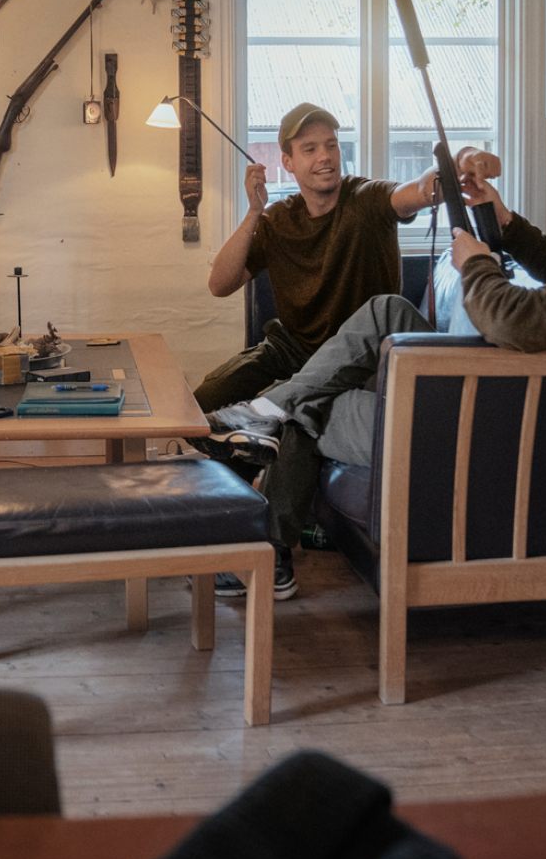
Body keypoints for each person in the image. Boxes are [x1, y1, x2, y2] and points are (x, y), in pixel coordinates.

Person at [202, 146, 546, 597]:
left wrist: (476, 263)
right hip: (478, 406)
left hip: (471, 435)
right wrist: (502, 219)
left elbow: (511, 318)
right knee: (387, 310)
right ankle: (271, 408)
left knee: (312, 401)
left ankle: (269, 546)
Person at [191, 101, 498, 599]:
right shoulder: (279, 219)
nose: (325, 157)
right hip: (291, 346)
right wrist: (253, 212)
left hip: (353, 362)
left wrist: (455, 165)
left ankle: (269, 550)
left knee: (299, 416)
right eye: (310, 148)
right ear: (287, 161)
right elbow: (219, 284)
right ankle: (216, 518)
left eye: (331, 145)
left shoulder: (365, 199)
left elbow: (417, 191)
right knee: (205, 400)